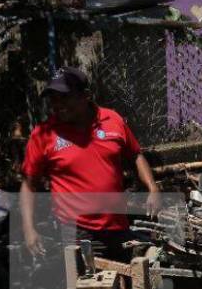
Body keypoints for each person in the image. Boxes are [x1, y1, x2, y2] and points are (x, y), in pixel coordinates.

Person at [20, 66, 160, 263]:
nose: (58, 104)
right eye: (53, 99)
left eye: (65, 97)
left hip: (118, 225)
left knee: (126, 285)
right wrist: (28, 229)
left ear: (86, 95)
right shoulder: (44, 134)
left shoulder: (113, 120)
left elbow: (135, 154)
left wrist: (152, 188)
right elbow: (29, 184)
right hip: (76, 231)